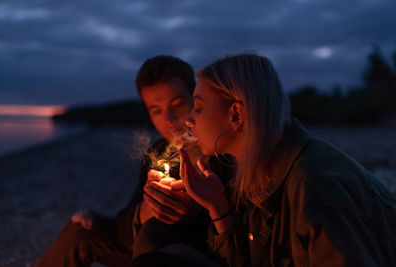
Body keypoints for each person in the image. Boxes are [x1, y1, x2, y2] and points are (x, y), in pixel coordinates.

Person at [173, 53, 396, 266]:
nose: (189, 118)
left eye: (199, 108)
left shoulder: (315, 189)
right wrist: (217, 207)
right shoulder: (261, 170)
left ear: (236, 115)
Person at [36, 56, 227, 267]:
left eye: (178, 103)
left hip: (199, 253)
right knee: (81, 231)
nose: (169, 119)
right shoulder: (160, 151)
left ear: (195, 100)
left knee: (151, 235)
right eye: (156, 110)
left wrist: (192, 211)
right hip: (147, 247)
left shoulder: (221, 150)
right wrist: (148, 208)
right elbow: (127, 223)